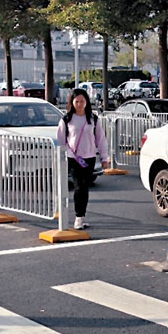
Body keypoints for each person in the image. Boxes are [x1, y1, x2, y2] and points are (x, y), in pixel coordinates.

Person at [57, 88, 109, 230]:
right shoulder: (66, 120)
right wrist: (63, 158)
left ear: (87, 102)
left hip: (89, 158)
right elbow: (61, 141)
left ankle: (81, 215)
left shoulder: (93, 119)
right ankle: (78, 218)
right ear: (72, 102)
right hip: (73, 159)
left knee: (84, 188)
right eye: (77, 101)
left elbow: (101, 139)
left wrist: (105, 158)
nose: (80, 104)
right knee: (79, 186)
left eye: (82, 101)